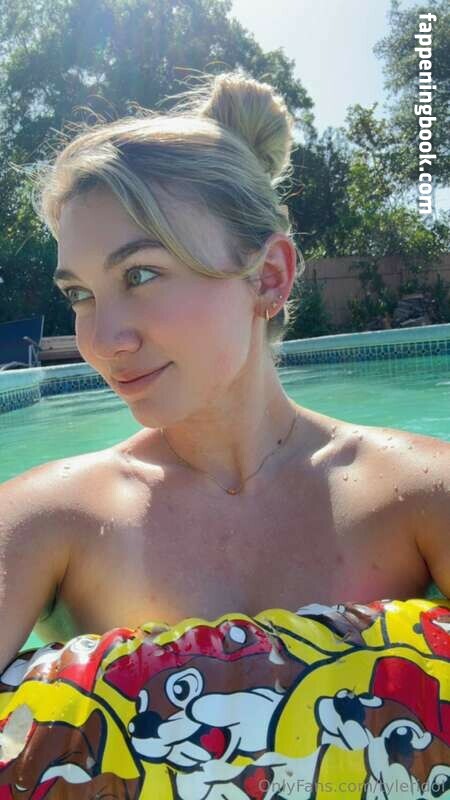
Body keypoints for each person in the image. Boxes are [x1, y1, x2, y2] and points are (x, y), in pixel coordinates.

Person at [0, 71, 449, 676]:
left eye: (140, 275)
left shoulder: (421, 496)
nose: (102, 342)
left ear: (268, 277)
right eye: (80, 294)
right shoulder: (49, 522)